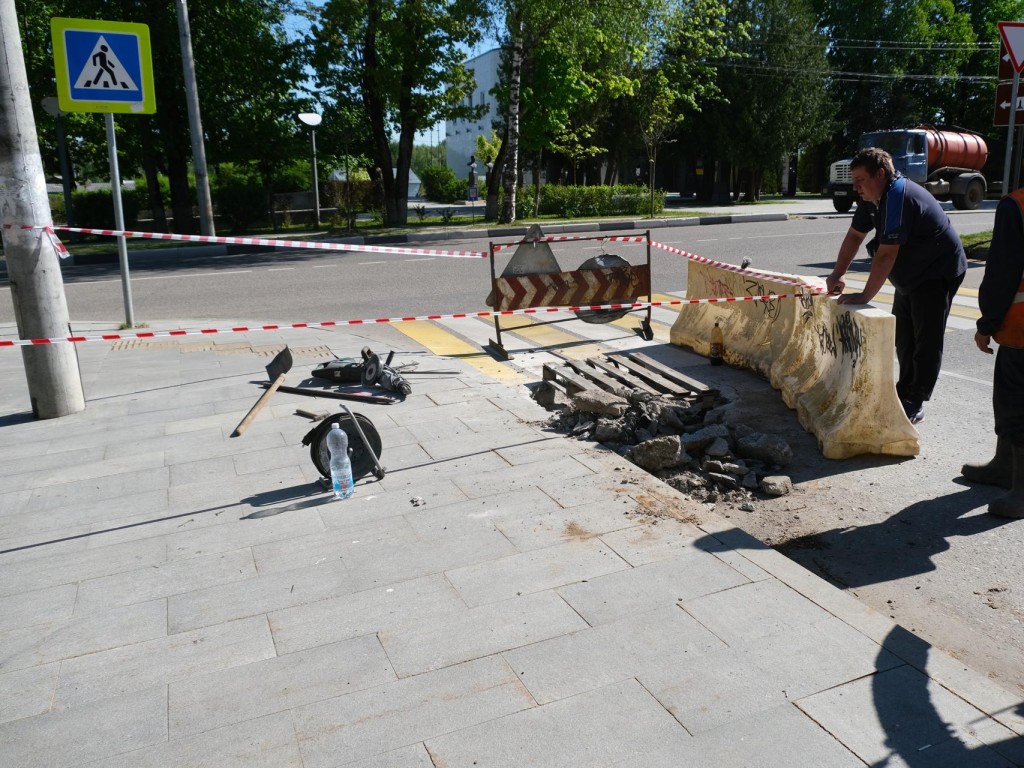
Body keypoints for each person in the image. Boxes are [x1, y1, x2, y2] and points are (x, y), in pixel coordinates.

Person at [825, 147, 966, 425]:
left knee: (926, 338)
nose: (856, 187)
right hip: (910, 273)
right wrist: (837, 273)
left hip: (937, 271)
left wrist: (865, 295)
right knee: (904, 335)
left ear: (880, 174)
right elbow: (855, 235)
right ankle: (904, 389)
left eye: (860, 180)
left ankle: (916, 399)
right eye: (853, 181)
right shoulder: (872, 198)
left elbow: (886, 254)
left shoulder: (897, 196)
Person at [961, 189, 1024, 518]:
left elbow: (1004, 271)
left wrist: (987, 324)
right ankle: (1004, 466)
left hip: (1021, 329)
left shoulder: (1017, 205)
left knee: (1015, 405)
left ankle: (1020, 491)